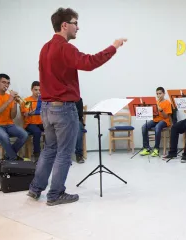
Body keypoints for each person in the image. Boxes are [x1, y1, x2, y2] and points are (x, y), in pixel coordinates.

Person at [28, 7, 126, 206]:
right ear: (64, 25)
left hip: (46, 108)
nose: (78, 28)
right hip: (63, 109)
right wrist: (113, 47)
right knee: (64, 152)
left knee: (49, 150)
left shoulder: (45, 48)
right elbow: (89, 63)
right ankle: (55, 195)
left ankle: (35, 189)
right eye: (75, 23)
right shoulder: (65, 48)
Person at [0, 74, 29, 161]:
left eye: (8, 83)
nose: (6, 85)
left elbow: (12, 116)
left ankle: (8, 156)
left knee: (25, 134)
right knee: (4, 136)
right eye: (3, 82)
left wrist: (15, 103)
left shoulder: (9, 97)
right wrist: (9, 100)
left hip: (9, 124)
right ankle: (14, 158)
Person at [140, 87, 172, 157]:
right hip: (155, 120)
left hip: (164, 121)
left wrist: (161, 110)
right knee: (144, 127)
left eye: (160, 93)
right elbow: (152, 115)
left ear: (164, 94)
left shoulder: (167, 103)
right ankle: (146, 148)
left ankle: (156, 149)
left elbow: (166, 116)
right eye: (157, 94)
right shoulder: (155, 102)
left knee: (158, 127)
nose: (158, 95)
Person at [21, 81, 43, 161]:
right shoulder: (28, 101)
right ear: (31, 90)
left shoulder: (43, 101)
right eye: (36, 90)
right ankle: (37, 153)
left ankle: (50, 152)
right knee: (37, 132)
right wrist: (30, 113)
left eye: (40, 90)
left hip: (41, 123)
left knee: (51, 129)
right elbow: (26, 114)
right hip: (30, 124)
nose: (38, 92)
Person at [75, 97, 85, 163]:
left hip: (77, 120)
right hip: (65, 121)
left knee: (78, 130)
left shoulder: (78, 99)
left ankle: (79, 155)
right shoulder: (63, 99)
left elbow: (80, 114)